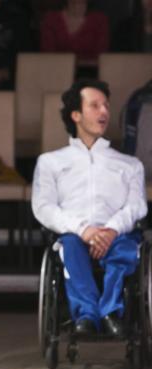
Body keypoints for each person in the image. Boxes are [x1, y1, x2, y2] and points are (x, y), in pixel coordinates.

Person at [32, 79, 147, 337]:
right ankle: (86, 314)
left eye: (106, 105)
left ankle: (110, 312)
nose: (104, 112)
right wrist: (83, 230)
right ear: (76, 115)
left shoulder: (129, 165)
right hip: (74, 235)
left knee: (126, 249)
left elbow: (137, 206)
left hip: (117, 235)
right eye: (94, 106)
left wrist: (111, 230)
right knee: (70, 246)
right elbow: (44, 206)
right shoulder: (51, 162)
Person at [40, 0, 109, 78]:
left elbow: (102, 58)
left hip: (91, 76)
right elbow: (48, 56)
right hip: (56, 74)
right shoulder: (51, 19)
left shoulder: (99, 20)